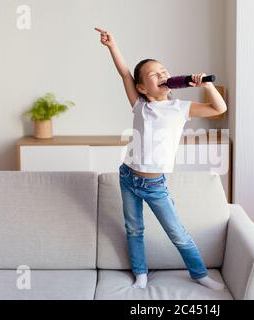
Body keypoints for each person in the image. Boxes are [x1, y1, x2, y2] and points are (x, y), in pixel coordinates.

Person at [95, 27, 227, 290]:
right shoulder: (139, 105)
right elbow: (124, 73)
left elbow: (219, 108)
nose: (163, 74)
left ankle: (199, 273)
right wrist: (113, 46)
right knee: (134, 229)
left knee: (177, 232)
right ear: (142, 87)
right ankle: (140, 273)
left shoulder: (180, 108)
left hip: (155, 185)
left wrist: (207, 84)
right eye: (154, 74)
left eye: (164, 71)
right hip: (128, 176)